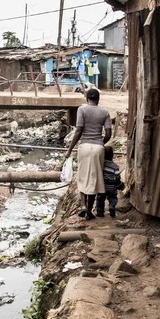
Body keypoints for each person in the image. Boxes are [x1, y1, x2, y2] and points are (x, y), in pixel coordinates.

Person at [65, 88, 112, 220]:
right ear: (98, 99)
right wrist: (100, 143)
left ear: (87, 99)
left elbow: (79, 130)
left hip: (84, 147)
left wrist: (69, 149)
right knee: (93, 179)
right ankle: (89, 213)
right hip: (98, 148)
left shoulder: (82, 109)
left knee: (82, 176)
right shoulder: (105, 112)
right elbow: (108, 134)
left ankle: (83, 205)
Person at [96, 146, 125, 218]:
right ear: (112, 155)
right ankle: (112, 206)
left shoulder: (101, 164)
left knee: (100, 199)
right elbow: (117, 176)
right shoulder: (115, 166)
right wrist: (119, 184)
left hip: (102, 186)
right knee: (112, 197)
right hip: (112, 187)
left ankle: (100, 212)